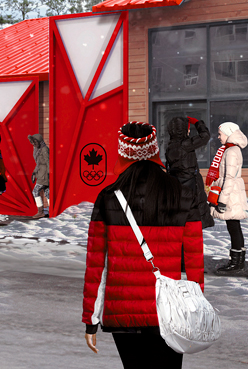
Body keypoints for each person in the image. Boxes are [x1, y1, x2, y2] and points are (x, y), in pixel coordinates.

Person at [82, 122, 203, 368]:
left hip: (122, 310)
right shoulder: (182, 194)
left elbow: (96, 265)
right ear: (154, 150)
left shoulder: (108, 197)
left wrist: (91, 320)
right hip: (168, 312)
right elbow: (194, 259)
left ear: (122, 153)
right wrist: (195, 310)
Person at [208, 121, 248, 274]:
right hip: (230, 192)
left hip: (230, 194)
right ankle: (237, 261)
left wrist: (222, 201)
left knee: (233, 227)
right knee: (234, 227)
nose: (219, 137)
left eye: (220, 134)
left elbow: (229, 177)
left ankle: (236, 263)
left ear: (229, 133)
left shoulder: (231, 151)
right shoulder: (230, 149)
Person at [164, 116, 213, 229]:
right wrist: (197, 122)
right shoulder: (185, 144)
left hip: (179, 187)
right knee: (195, 217)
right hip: (191, 184)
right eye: (188, 129)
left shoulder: (170, 147)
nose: (189, 131)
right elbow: (205, 136)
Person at [27, 134, 50, 218]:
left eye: (35, 141)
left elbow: (48, 161)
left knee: (35, 191)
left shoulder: (44, 149)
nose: (33, 143)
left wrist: (49, 173)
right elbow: (38, 163)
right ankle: (52, 211)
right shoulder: (37, 149)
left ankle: (40, 211)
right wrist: (34, 173)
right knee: (47, 193)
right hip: (40, 172)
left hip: (44, 174)